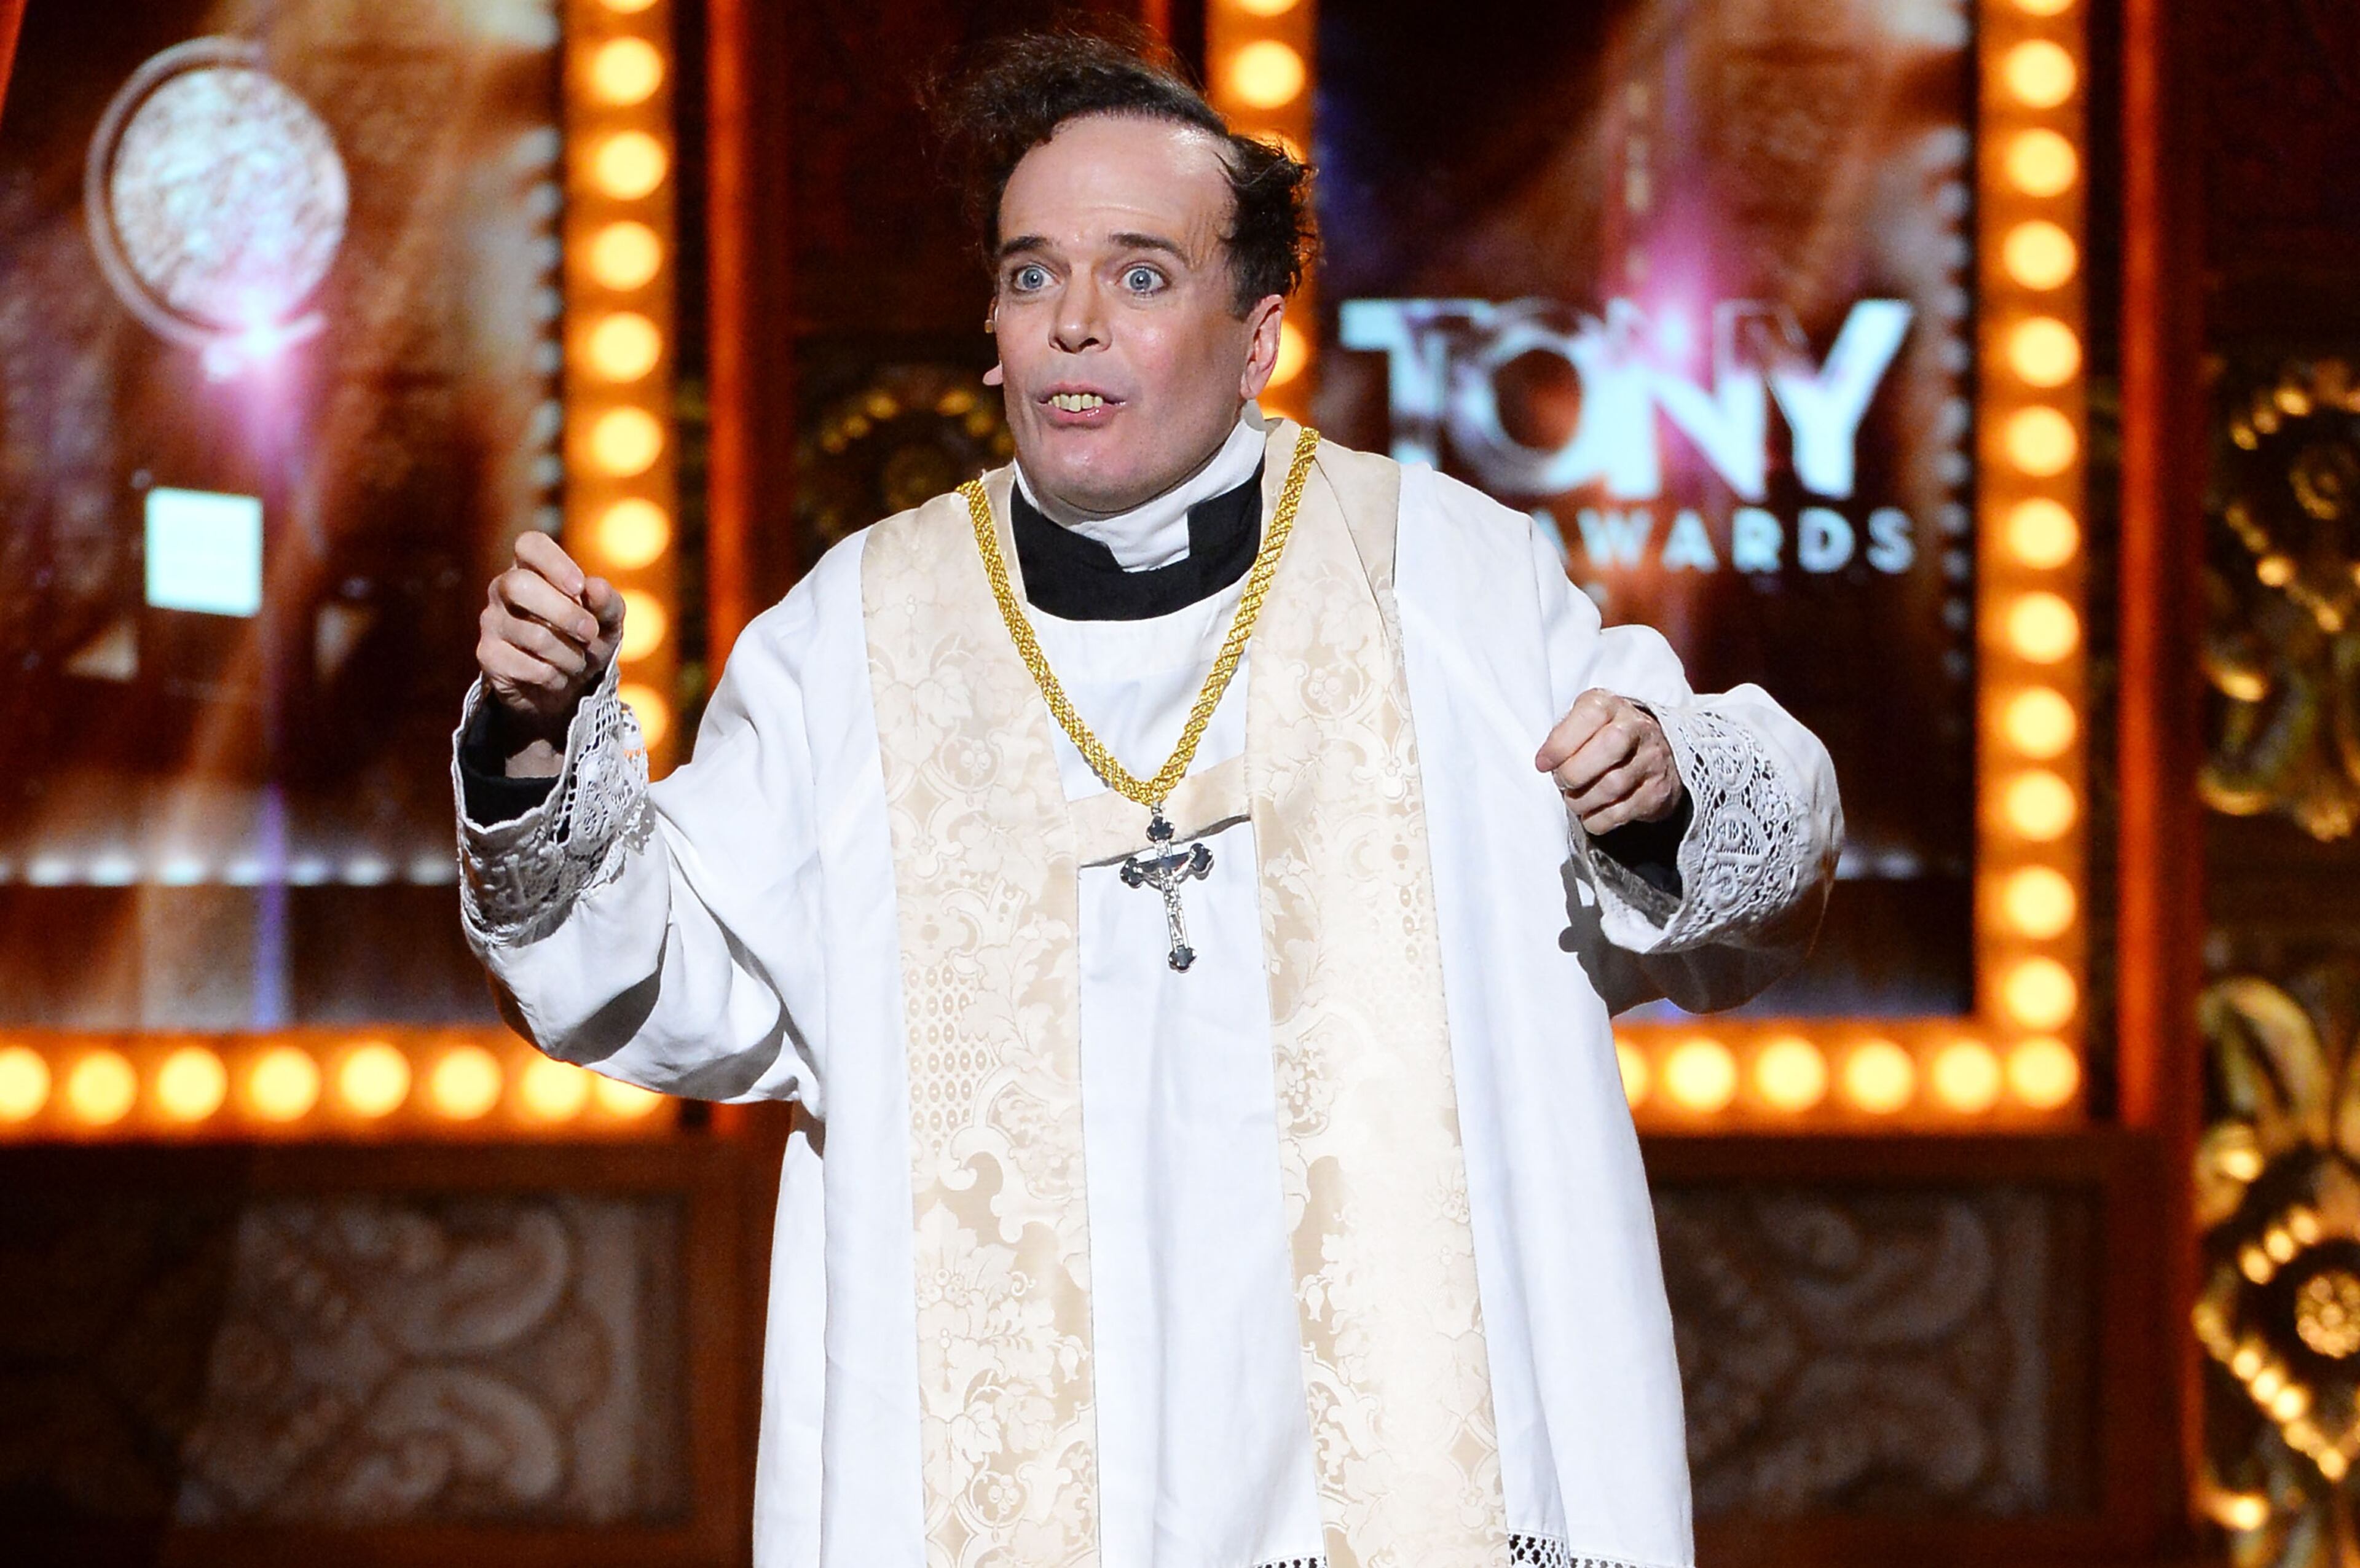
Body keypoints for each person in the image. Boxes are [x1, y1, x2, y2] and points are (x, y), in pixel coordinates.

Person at [455, 30, 1840, 1568]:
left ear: (1257, 339)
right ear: (992, 333)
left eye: (1140, 274)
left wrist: (1656, 791)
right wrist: (536, 747)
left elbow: (1773, 840)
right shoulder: (858, 637)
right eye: (1031, 276)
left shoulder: (1446, 580)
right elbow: (660, 975)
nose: (1075, 324)